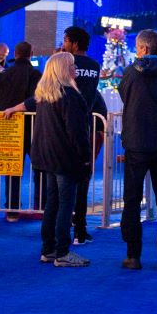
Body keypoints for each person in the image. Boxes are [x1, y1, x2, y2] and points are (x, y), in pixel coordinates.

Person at [118, 28, 157, 270]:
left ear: (143, 49)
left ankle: (133, 255)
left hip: (136, 143)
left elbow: (125, 98)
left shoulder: (130, 74)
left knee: (132, 200)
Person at [29, 52, 92, 267]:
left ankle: (49, 250)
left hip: (47, 157)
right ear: (64, 69)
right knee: (66, 205)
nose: (76, 69)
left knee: (52, 204)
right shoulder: (70, 96)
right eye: (72, 66)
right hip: (65, 158)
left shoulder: (44, 95)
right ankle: (63, 252)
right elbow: (77, 132)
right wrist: (85, 157)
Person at [60, 26, 106, 245]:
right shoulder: (94, 66)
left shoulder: (64, 64)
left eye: (66, 40)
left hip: (63, 127)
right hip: (86, 126)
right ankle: (80, 229)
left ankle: (61, 229)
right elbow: (95, 96)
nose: (63, 44)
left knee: (62, 179)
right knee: (83, 178)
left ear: (75, 43)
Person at [0, 41, 41, 219]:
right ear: (31, 54)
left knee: (12, 169)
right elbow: (37, 101)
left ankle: (11, 210)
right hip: (32, 128)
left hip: (7, 128)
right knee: (39, 167)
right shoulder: (35, 74)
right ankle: (40, 207)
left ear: (15, 54)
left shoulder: (3, 75)